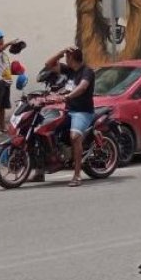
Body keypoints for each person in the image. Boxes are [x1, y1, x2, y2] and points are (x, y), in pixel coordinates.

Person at [44, 46, 96, 187]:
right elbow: (48, 65)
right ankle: (40, 171)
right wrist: (61, 52)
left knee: (74, 137)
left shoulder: (87, 71)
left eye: (67, 56)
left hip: (82, 112)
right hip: (67, 111)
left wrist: (67, 96)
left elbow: (82, 87)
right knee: (45, 130)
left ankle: (77, 175)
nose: (65, 59)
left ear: (72, 58)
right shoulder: (69, 70)